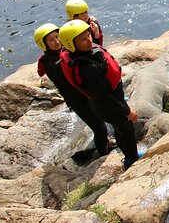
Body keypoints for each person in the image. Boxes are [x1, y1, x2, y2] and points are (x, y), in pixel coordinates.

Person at [58, 20, 141, 170]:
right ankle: (131, 160)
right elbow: (105, 98)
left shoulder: (82, 53)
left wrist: (96, 34)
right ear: (71, 45)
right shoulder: (88, 69)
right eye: (83, 39)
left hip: (106, 102)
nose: (89, 40)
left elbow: (95, 48)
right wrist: (127, 111)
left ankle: (129, 155)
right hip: (107, 106)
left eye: (87, 34)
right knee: (126, 130)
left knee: (121, 129)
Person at [34, 23, 111, 155]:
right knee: (100, 128)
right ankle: (103, 153)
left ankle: (106, 143)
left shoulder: (64, 52)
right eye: (51, 40)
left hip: (85, 95)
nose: (57, 41)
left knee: (102, 121)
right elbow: (81, 66)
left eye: (57, 37)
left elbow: (89, 54)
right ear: (44, 44)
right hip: (78, 100)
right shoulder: (51, 64)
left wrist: (95, 36)